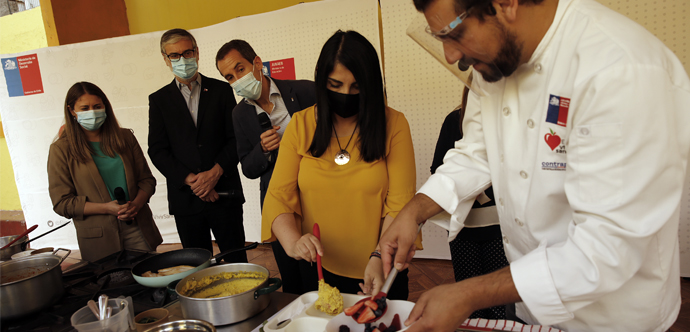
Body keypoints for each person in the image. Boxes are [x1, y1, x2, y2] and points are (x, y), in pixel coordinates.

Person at [378, 0, 690, 331]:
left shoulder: (621, 69)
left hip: (613, 317)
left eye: (454, 34)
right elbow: (476, 151)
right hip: (532, 302)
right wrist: (414, 212)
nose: (451, 57)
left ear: (506, 4)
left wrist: (467, 294)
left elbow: (607, 246)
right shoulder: (497, 61)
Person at [261, 30, 421, 298]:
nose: (346, 94)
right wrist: (293, 242)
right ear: (321, 82)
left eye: (357, 87)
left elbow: (401, 203)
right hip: (319, 268)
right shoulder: (301, 125)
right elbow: (279, 195)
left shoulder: (393, 124)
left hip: (381, 266)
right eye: (335, 85)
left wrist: (379, 256)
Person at [216, 39, 316, 294]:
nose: (237, 79)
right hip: (277, 200)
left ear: (257, 63)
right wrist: (262, 150)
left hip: (317, 194)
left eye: (240, 69)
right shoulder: (239, 115)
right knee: (291, 268)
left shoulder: (305, 91)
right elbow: (248, 169)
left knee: (320, 263)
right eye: (229, 77)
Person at [148, 28, 247, 263]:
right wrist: (192, 181)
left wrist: (214, 173)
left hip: (224, 195)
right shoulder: (159, 100)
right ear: (166, 59)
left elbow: (236, 138)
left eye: (187, 52)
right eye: (174, 55)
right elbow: (158, 150)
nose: (182, 59)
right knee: (197, 269)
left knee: (237, 262)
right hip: (187, 201)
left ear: (197, 53)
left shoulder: (222, 90)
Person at [48, 82, 163, 262]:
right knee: (112, 286)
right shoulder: (61, 149)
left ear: (105, 106)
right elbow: (62, 203)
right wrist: (106, 208)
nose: (92, 112)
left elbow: (147, 180)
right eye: (84, 108)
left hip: (138, 228)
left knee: (151, 278)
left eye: (97, 106)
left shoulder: (125, 137)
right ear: (72, 111)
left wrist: (136, 205)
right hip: (99, 240)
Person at [430, 87, 508, 320]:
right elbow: (438, 169)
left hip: (499, 229)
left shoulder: (507, 121)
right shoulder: (454, 121)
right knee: (468, 300)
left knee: (500, 301)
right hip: (463, 228)